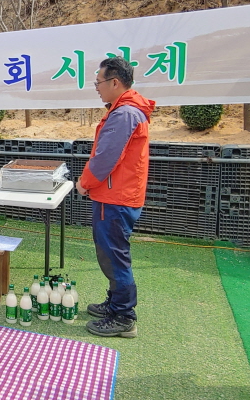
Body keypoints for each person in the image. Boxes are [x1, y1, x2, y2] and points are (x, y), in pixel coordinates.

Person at [77, 57, 155, 338]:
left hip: (115, 197)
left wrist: (84, 183)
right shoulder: (126, 110)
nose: (96, 87)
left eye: (98, 82)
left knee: (114, 257)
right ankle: (116, 304)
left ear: (114, 82)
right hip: (118, 194)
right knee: (112, 254)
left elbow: (105, 158)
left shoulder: (124, 114)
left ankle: (124, 316)